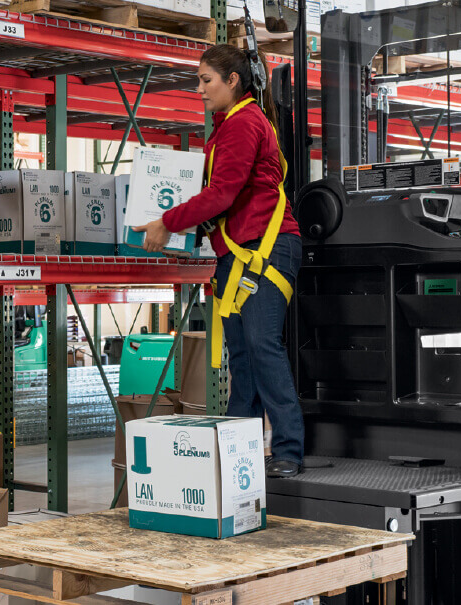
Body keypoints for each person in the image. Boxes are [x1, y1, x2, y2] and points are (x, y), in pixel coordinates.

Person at [131, 44, 307, 477]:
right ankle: (241, 448)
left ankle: (287, 450)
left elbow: (223, 193)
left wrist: (168, 221)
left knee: (262, 347)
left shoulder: (243, 123)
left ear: (232, 81)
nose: (199, 89)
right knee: (243, 354)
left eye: (206, 80)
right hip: (238, 254)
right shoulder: (228, 126)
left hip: (265, 250)